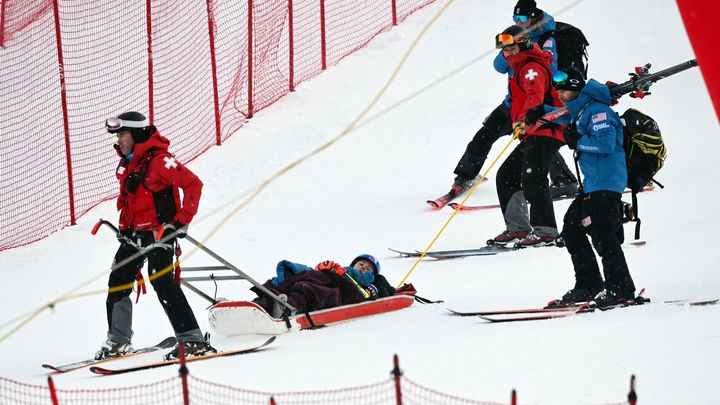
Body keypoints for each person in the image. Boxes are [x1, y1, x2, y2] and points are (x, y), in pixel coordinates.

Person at [96, 111, 215, 360]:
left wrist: (179, 223)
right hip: (134, 235)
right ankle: (118, 342)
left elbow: (194, 184)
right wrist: (124, 227)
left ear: (137, 135)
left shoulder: (160, 161)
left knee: (161, 280)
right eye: (117, 136)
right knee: (118, 280)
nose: (118, 140)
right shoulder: (130, 163)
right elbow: (130, 201)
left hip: (159, 234)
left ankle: (192, 341)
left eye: (122, 135)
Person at [452, 0, 577, 199]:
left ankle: (565, 181)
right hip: (512, 103)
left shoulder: (547, 40)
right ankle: (464, 177)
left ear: (534, 16)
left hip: (536, 105)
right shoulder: (515, 37)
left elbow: (548, 73)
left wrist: (526, 48)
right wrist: (509, 47)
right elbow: (499, 67)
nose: (519, 22)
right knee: (485, 134)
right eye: (515, 18)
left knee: (539, 142)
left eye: (522, 18)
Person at [550, 68, 636, 307]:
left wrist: (578, 141)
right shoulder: (583, 111)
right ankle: (589, 284)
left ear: (576, 88)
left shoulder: (598, 111)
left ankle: (620, 289)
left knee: (602, 234)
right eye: (557, 89)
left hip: (606, 183)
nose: (559, 94)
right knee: (572, 229)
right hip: (592, 185)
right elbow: (559, 116)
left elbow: (606, 144)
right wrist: (538, 113)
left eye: (563, 89)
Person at [489, 25, 565, 247]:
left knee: (534, 176)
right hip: (532, 131)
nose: (508, 54)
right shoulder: (521, 67)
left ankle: (546, 231)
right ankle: (518, 228)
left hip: (545, 129)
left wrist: (523, 119)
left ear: (523, 44)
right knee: (507, 175)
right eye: (505, 51)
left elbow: (535, 96)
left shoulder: (532, 67)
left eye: (511, 49)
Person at [250, 254, 395, 317]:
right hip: (325, 282)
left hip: (335, 294)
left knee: (305, 287)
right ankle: (257, 305)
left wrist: (341, 275)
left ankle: (288, 307)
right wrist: (322, 269)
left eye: (369, 269)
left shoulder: (368, 287)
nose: (363, 267)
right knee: (287, 281)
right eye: (361, 263)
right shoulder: (343, 270)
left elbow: (358, 296)